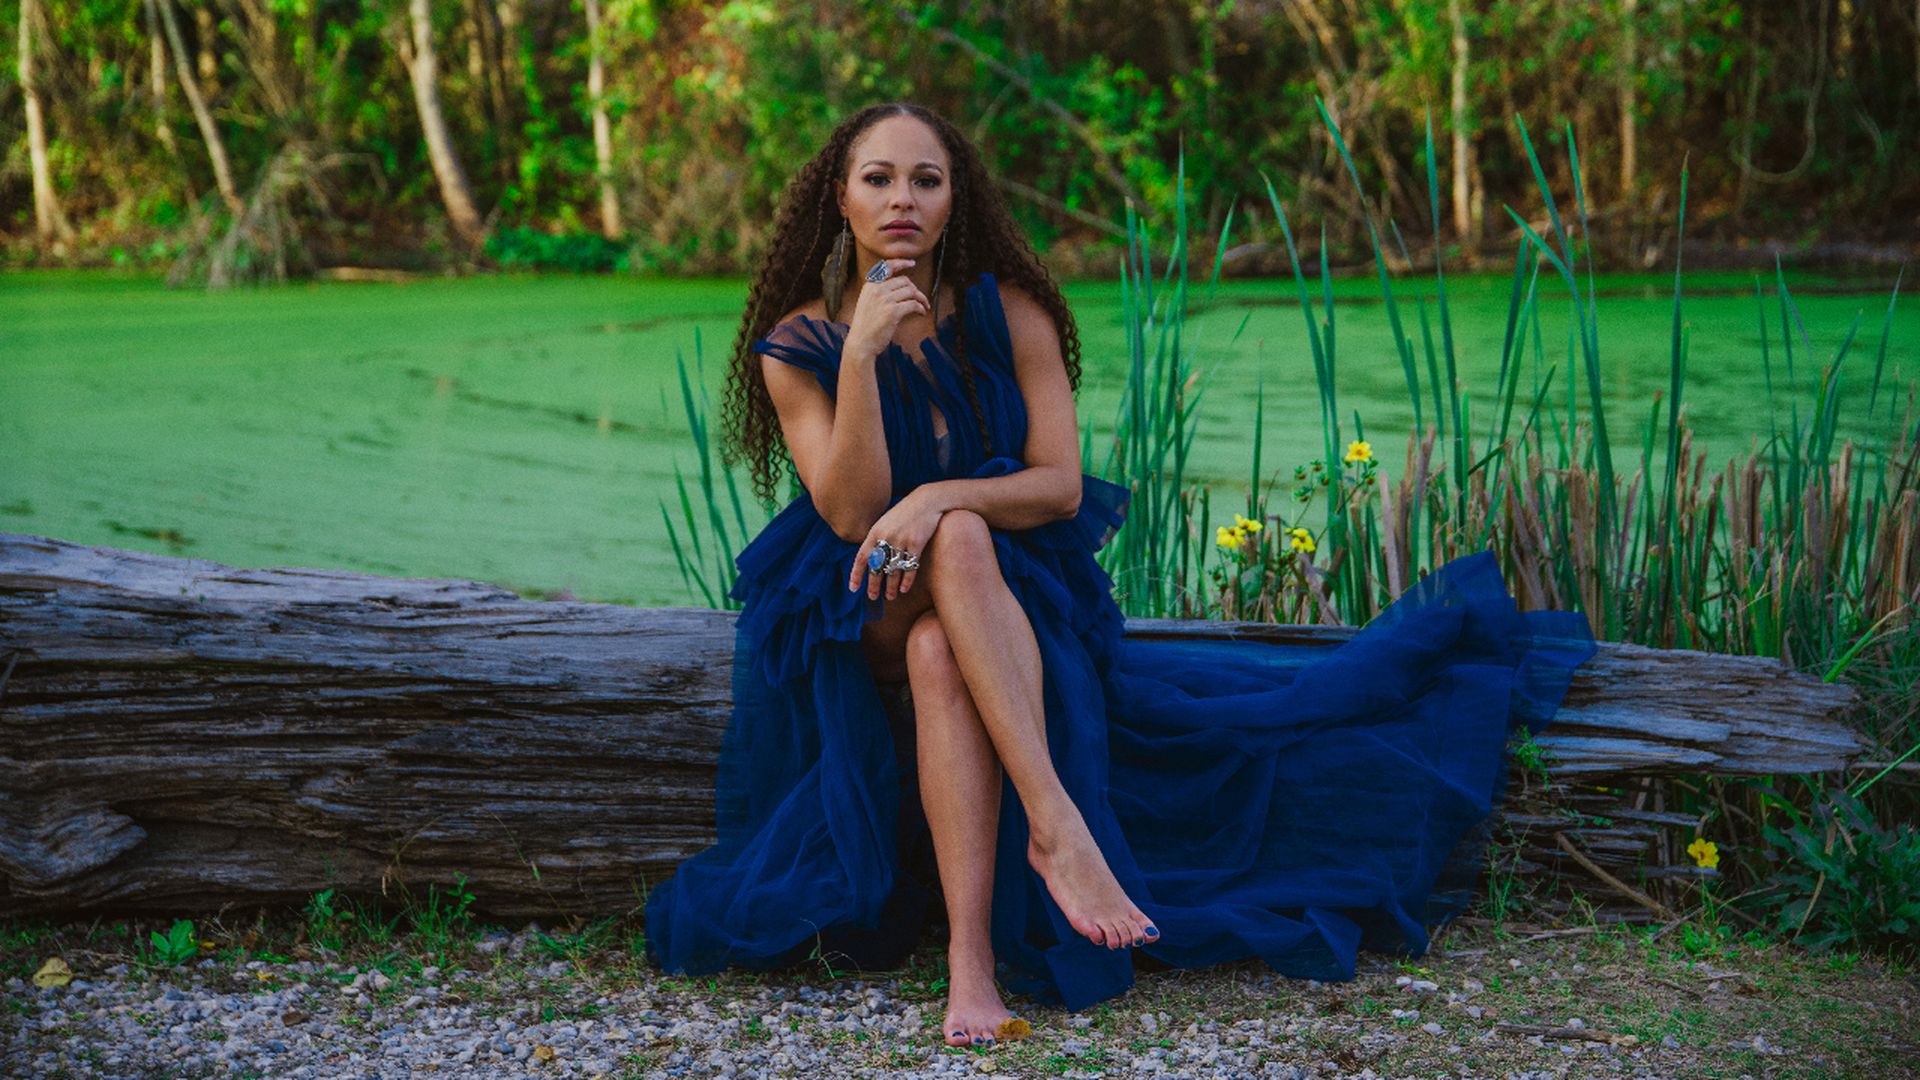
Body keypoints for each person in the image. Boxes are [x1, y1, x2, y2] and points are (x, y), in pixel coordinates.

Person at [642, 102, 1597, 1049]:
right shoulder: (797, 343)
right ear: (838, 201)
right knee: (931, 601)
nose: (903, 198)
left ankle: (970, 968)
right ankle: (1057, 829)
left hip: (1003, 589)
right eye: (878, 179)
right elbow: (851, 513)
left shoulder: (1010, 313)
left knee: (947, 637)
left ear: (954, 199)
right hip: (860, 595)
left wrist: (939, 502)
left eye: (926, 180)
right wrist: (860, 356)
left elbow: (1058, 488)